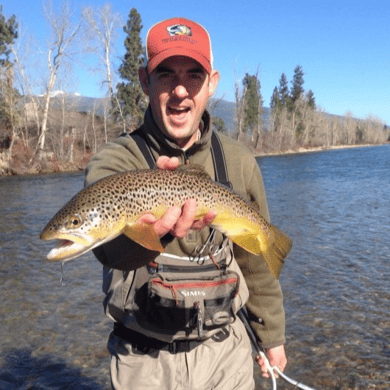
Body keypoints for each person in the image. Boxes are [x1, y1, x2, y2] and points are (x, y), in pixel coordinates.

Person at [85, 17, 287, 390]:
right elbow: (108, 249)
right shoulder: (116, 162)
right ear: (145, 81)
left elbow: (255, 262)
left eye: (194, 74)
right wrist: (151, 234)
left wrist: (271, 335)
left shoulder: (239, 161)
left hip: (226, 356)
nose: (180, 90)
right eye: (166, 74)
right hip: (145, 363)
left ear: (212, 83)